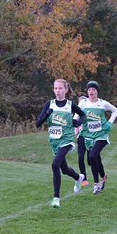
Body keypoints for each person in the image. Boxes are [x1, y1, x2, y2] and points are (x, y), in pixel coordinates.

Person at [35, 79, 86, 208]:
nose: (57, 91)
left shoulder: (70, 105)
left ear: (66, 90)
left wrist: (78, 123)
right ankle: (78, 178)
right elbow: (38, 124)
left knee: (55, 165)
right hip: (54, 140)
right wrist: (46, 114)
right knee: (64, 169)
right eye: (55, 88)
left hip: (67, 139)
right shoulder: (49, 104)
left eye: (60, 88)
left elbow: (82, 115)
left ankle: (56, 198)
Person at [78, 81, 117, 195]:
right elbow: (77, 115)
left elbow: (115, 110)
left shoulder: (103, 103)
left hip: (101, 134)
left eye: (93, 89)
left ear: (97, 91)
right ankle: (103, 176)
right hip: (87, 135)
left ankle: (96, 184)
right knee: (95, 159)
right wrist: (75, 122)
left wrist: (109, 122)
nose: (91, 91)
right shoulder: (83, 104)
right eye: (89, 90)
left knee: (92, 156)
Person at [75, 95, 90, 187]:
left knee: (90, 160)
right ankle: (84, 179)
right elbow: (74, 127)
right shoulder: (77, 115)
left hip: (90, 137)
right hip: (81, 138)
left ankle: (100, 175)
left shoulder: (89, 113)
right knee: (80, 157)